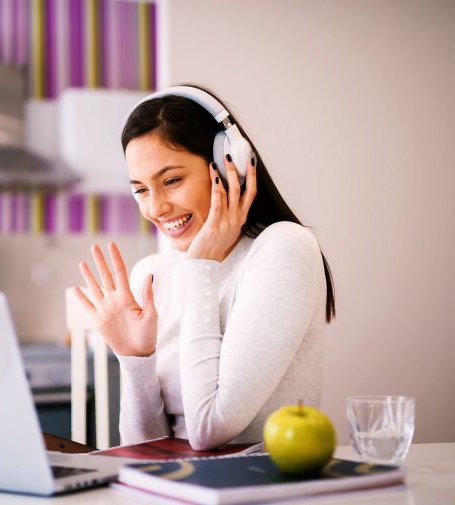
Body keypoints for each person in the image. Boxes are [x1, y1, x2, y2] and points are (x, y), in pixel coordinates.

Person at [74, 84, 335, 451]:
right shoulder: (153, 275)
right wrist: (136, 359)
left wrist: (201, 267)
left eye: (171, 181)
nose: (156, 208)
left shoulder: (284, 248)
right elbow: (146, 450)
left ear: (230, 166)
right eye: (141, 190)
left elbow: (209, 429)